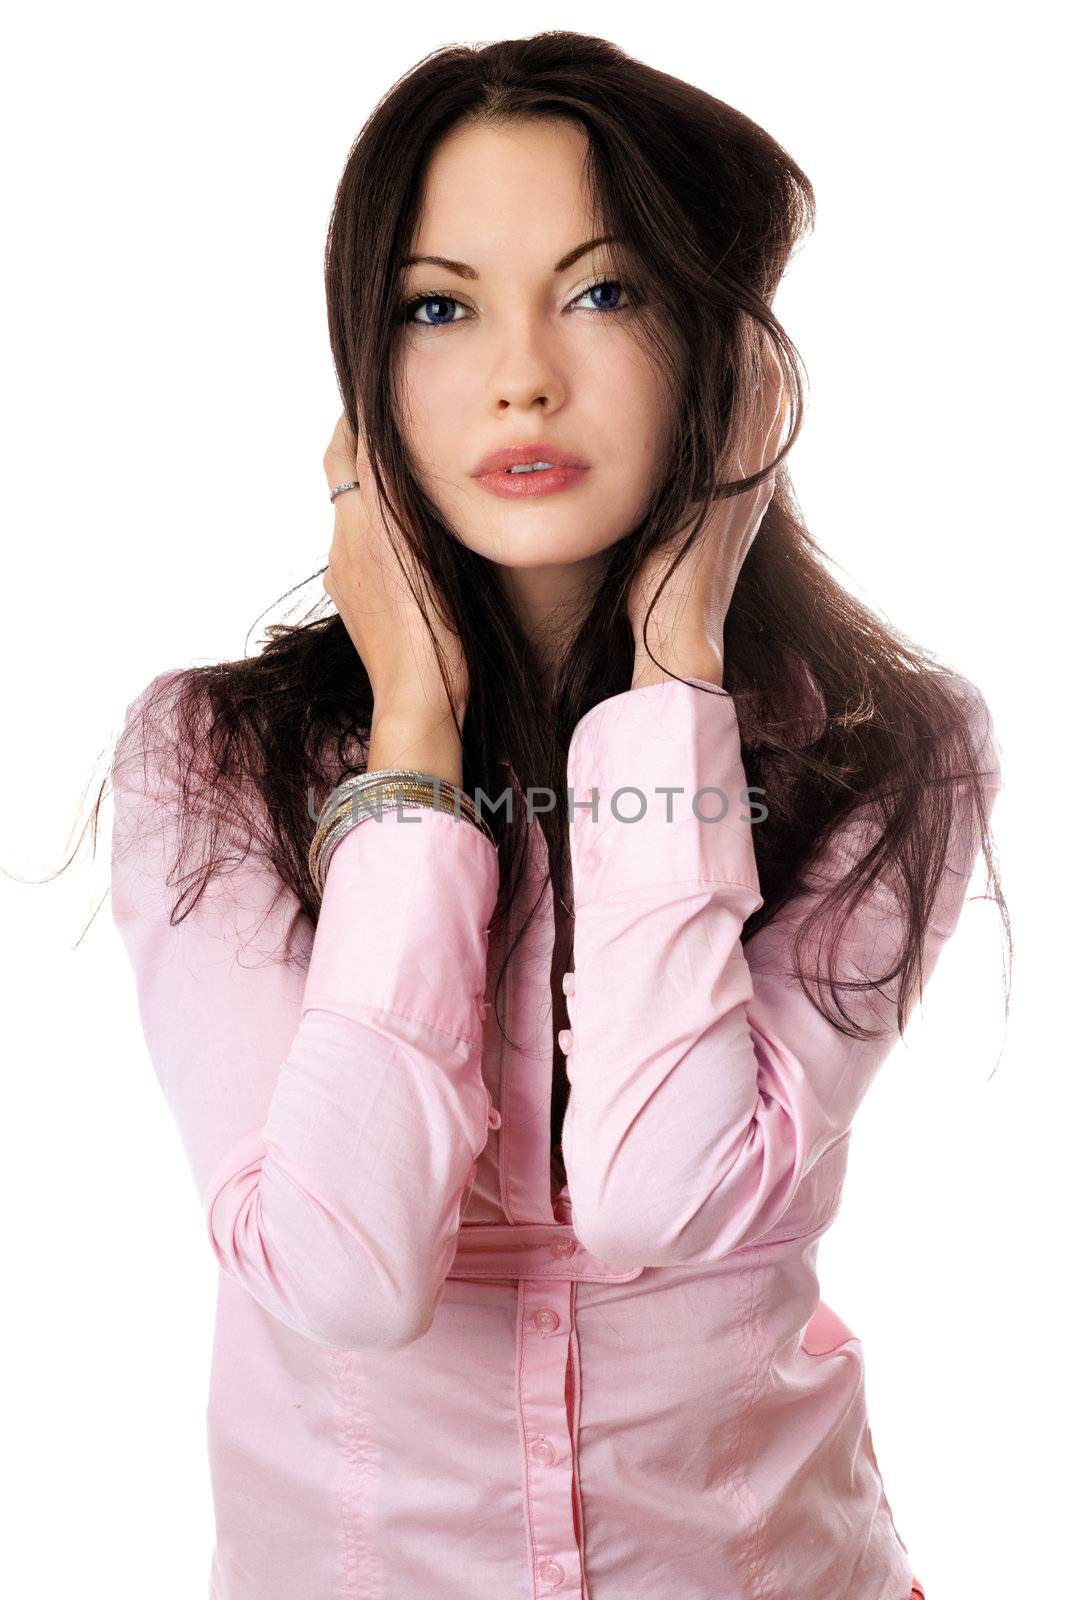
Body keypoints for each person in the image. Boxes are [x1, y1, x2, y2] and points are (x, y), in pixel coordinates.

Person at [107, 31, 1005, 1600]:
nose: (522, 372)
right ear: (366, 372)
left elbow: (667, 1190)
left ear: (735, 358)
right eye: (440, 308)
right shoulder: (211, 758)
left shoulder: (893, 750)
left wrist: (674, 669)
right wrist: (413, 735)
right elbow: (341, 1272)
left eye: (604, 292)